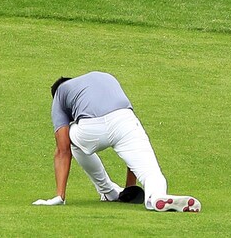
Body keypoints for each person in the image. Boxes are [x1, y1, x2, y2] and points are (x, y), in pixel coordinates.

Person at [32, 71, 201, 212]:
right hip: (125, 120)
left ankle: (107, 191)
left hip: (91, 130)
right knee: (151, 173)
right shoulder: (105, 77)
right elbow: (131, 159)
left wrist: (60, 196)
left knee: (70, 140)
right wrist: (130, 189)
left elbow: (63, 150)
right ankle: (155, 196)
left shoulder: (60, 93)